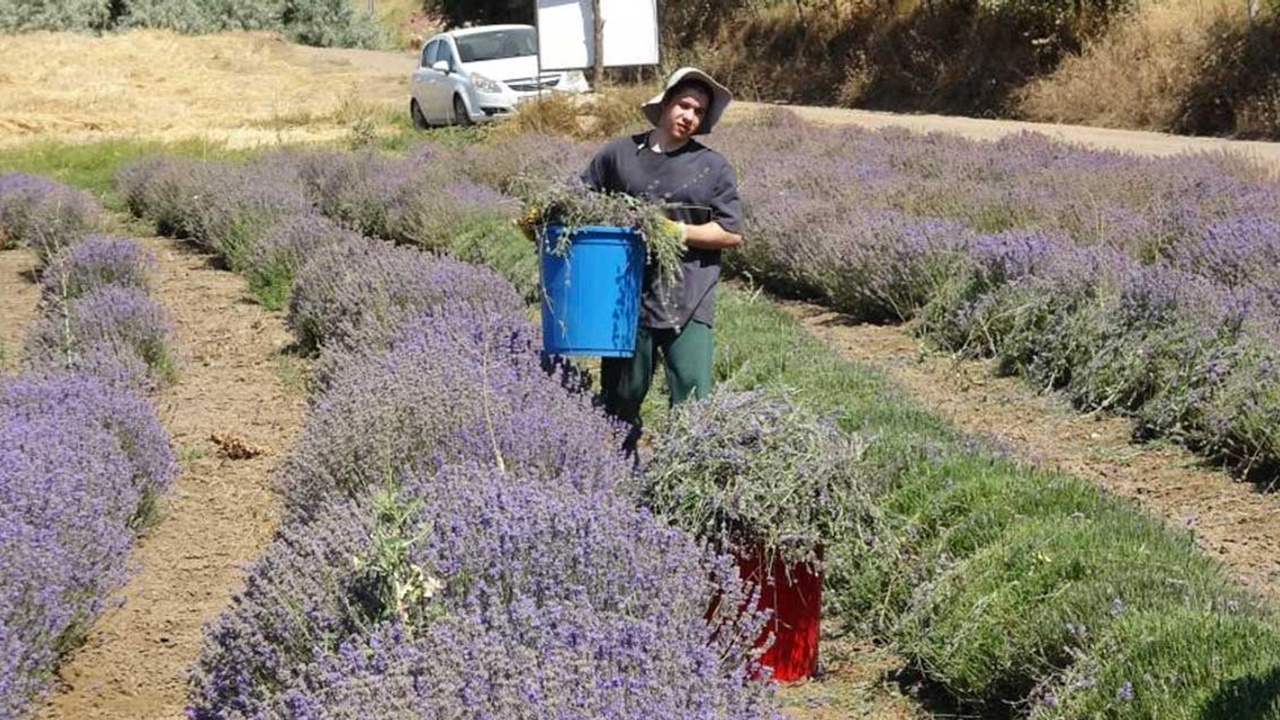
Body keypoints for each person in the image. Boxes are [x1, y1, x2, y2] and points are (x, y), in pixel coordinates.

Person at [581, 67, 744, 452]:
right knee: (622, 395)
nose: (689, 116)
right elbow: (579, 198)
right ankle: (617, 467)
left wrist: (675, 231)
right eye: (683, 105)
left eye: (699, 111)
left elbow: (731, 233)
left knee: (691, 395)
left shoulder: (713, 167)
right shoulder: (619, 155)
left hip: (689, 293)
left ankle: (688, 474)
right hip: (625, 296)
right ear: (666, 103)